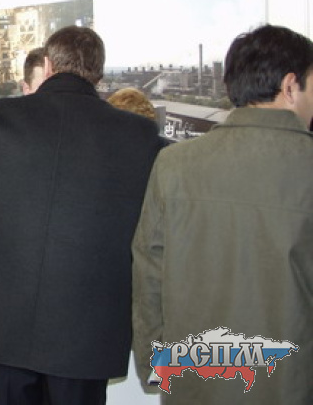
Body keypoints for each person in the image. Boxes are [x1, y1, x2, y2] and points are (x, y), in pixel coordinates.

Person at [0, 27, 164, 405]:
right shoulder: (139, 135)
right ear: (98, 73)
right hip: (86, 323)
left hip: (1, 318)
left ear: (47, 64)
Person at [132, 24, 313, 405]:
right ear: (290, 86)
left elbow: (149, 273)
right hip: (290, 383)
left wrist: (155, 366)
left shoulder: (174, 164)